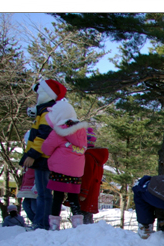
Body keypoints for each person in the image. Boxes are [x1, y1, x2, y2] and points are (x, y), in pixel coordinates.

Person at [19, 79, 67, 230]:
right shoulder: (45, 111)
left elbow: (43, 135)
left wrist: (32, 154)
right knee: (43, 193)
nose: (38, 96)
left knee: (43, 194)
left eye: (40, 93)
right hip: (44, 157)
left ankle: (41, 223)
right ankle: (41, 223)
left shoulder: (47, 112)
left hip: (43, 158)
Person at [40, 99, 89, 230]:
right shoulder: (81, 131)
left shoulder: (58, 131)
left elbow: (46, 148)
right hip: (76, 171)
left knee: (57, 197)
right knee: (73, 197)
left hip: (60, 170)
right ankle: (78, 226)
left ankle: (54, 226)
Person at [78, 128, 109, 224]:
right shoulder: (97, 156)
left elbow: (87, 176)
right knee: (87, 216)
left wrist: (83, 192)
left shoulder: (88, 156)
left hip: (86, 192)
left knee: (83, 217)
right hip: (93, 191)